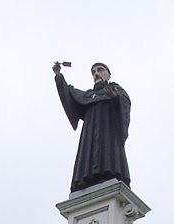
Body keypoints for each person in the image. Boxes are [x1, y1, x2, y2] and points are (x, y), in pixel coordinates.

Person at [53, 62, 130, 194]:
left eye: (100, 70)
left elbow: (124, 106)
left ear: (108, 74)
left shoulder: (116, 90)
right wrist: (59, 76)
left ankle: (109, 173)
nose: (96, 74)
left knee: (108, 156)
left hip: (108, 133)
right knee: (88, 153)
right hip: (90, 135)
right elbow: (70, 93)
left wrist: (115, 98)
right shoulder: (88, 96)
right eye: (93, 72)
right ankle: (86, 178)